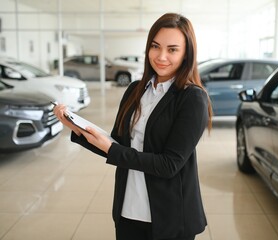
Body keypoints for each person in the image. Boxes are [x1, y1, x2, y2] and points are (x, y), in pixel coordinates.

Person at [53, 12, 212, 240]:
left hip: (169, 216)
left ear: (187, 53)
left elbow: (169, 164)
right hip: (128, 210)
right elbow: (118, 145)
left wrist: (112, 148)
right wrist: (76, 127)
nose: (161, 56)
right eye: (155, 46)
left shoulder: (192, 98)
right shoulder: (135, 90)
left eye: (172, 49)